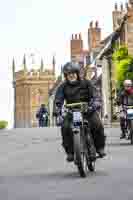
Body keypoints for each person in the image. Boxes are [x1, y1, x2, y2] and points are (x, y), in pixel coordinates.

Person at [53, 62, 106, 162]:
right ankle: (70, 152)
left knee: (97, 124)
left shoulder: (86, 83)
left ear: (77, 73)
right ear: (66, 76)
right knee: (65, 128)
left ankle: (100, 148)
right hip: (71, 112)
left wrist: (96, 103)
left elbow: (95, 95)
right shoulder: (63, 86)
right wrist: (57, 109)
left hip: (88, 111)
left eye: (73, 73)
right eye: (68, 74)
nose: (71, 75)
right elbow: (58, 100)